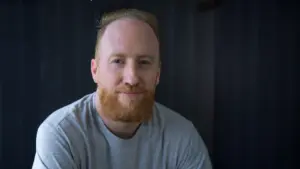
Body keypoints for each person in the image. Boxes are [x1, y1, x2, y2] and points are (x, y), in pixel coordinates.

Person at [32, 8, 212, 169]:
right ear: (95, 70)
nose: (132, 78)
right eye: (117, 61)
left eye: (144, 62)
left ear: (157, 74)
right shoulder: (61, 134)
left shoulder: (183, 137)